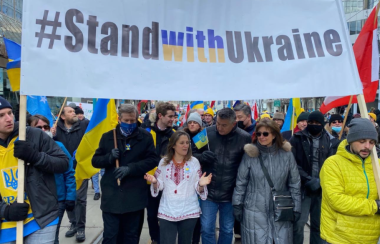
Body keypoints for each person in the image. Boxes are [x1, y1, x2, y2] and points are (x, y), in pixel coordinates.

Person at [0, 97, 69, 244]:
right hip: (7, 222)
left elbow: (63, 163)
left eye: (10, 113)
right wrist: (4, 211)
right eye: (1, 115)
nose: (8, 118)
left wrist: (35, 156)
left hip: (41, 218)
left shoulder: (33, 135)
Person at [92, 104, 159, 244]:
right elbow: (95, 161)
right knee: (110, 237)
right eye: (126, 120)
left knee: (131, 237)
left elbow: (152, 160)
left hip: (134, 197)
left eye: (132, 121)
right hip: (112, 196)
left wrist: (130, 168)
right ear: (119, 119)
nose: (129, 124)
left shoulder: (145, 136)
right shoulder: (108, 137)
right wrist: (109, 158)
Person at [232, 120, 301, 244]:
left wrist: (296, 207)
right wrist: (237, 204)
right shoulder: (250, 155)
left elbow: (294, 183)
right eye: (258, 134)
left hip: (281, 209)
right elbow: (241, 182)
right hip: (254, 210)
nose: (261, 137)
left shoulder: (287, 155)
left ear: (274, 134)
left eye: (265, 134)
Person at [145, 131, 212, 244]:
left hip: (189, 210)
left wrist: (201, 184)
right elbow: (160, 185)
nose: (186, 145)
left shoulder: (194, 162)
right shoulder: (164, 162)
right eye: (182, 143)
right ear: (174, 145)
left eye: (187, 142)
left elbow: (198, 188)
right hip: (167, 210)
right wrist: (155, 182)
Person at [320, 118, 380, 244]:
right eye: (362, 141)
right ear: (351, 140)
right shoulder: (333, 164)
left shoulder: (377, 166)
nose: (367, 147)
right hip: (340, 237)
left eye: (372, 142)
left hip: (370, 236)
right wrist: (374, 206)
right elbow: (336, 200)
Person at [200, 108, 251, 244]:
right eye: (218, 124)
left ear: (233, 123)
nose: (219, 128)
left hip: (230, 192)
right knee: (206, 228)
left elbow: (248, 165)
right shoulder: (206, 132)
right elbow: (191, 152)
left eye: (224, 125)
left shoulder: (244, 137)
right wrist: (201, 156)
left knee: (227, 229)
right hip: (208, 191)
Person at [290, 111, 337, 244]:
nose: (313, 125)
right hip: (303, 189)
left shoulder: (330, 140)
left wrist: (322, 181)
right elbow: (292, 164)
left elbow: (332, 164)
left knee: (319, 226)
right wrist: (308, 179)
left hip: (321, 190)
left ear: (322, 124)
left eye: (317, 123)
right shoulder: (297, 138)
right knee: (299, 225)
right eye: (311, 123)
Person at [29, 115, 77, 244]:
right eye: (38, 127)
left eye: (46, 127)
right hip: (34, 202)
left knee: (52, 238)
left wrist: (70, 197)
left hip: (58, 201)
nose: (43, 130)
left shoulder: (58, 146)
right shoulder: (25, 149)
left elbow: (69, 173)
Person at [52, 106, 89, 242]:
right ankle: (73, 223)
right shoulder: (56, 129)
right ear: (62, 116)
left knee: (80, 199)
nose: (74, 113)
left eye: (74, 111)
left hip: (80, 169)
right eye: (70, 112)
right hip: (64, 171)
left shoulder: (83, 126)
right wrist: (51, 135)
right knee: (69, 198)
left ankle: (80, 227)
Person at [145, 102, 176, 244]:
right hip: (149, 181)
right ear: (160, 116)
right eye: (170, 116)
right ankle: (155, 239)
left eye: (174, 116)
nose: (173, 119)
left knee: (166, 214)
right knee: (151, 214)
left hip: (169, 182)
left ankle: (165, 239)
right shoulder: (146, 132)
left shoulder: (175, 134)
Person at [182, 113, 207, 244]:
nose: (192, 124)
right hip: (182, 178)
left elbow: (203, 154)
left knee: (196, 213)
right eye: (190, 122)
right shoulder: (182, 135)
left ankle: (195, 240)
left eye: (195, 122)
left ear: (199, 124)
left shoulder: (202, 137)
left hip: (197, 178)